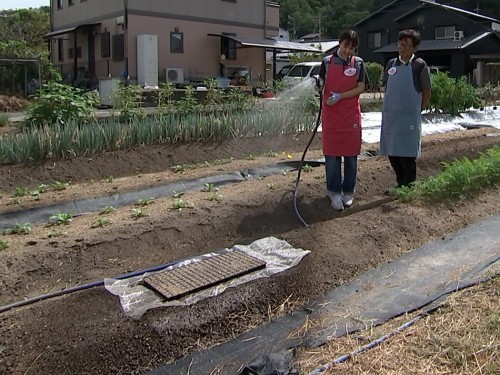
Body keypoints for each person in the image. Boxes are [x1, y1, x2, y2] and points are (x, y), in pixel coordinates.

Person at [318, 29, 365, 211]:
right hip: (332, 117)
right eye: (346, 46)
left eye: (352, 48)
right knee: (332, 157)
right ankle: (334, 192)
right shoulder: (327, 62)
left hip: (350, 115)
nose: (348, 51)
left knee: (351, 157)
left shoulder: (358, 63)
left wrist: (341, 96)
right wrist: (318, 85)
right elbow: (321, 82)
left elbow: (360, 87)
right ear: (340, 42)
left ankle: (348, 191)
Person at [380, 29, 432, 192]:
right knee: (392, 152)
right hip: (392, 116)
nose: (402, 48)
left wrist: (418, 110)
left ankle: (408, 187)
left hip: (409, 117)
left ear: (414, 48)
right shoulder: (390, 64)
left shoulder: (419, 66)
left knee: (408, 155)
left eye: (407, 46)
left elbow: (426, 91)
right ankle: (401, 184)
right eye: (400, 45)